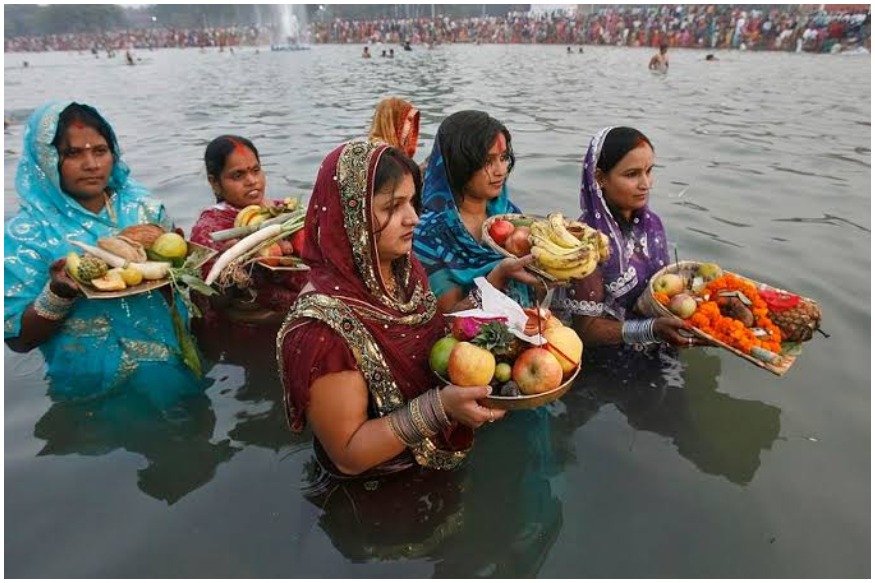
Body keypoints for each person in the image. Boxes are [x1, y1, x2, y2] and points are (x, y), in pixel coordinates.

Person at [278, 139, 505, 478]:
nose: (413, 218)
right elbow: (349, 454)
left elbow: (432, 337)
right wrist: (441, 407)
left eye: (412, 202)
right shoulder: (321, 330)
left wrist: (498, 281)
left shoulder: (402, 269)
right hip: (377, 496)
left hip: (435, 467)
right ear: (350, 216)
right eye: (392, 207)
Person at [4, 101, 203, 406]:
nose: (92, 164)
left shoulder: (143, 210)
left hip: (172, 369)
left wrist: (179, 265)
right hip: (90, 390)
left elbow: (181, 292)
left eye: (99, 150)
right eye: (73, 153)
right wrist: (58, 293)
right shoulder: (26, 234)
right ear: (46, 160)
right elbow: (18, 339)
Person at [552, 126, 700, 350]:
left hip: (660, 343)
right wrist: (650, 329)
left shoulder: (652, 225)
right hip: (607, 362)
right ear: (600, 178)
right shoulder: (585, 243)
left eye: (649, 171)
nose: (646, 184)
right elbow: (585, 330)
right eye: (632, 174)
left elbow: (662, 292)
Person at [413, 110, 539, 312]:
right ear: (458, 165)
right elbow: (447, 320)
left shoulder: (509, 215)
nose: (500, 171)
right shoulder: (429, 233)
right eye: (488, 161)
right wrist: (497, 277)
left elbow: (532, 294)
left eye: (504, 157)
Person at [189, 135, 306, 327]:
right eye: (238, 175)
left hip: (292, 320)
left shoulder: (284, 212)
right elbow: (212, 300)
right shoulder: (210, 230)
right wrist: (231, 266)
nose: (252, 181)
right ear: (214, 182)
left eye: (256, 171)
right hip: (244, 335)